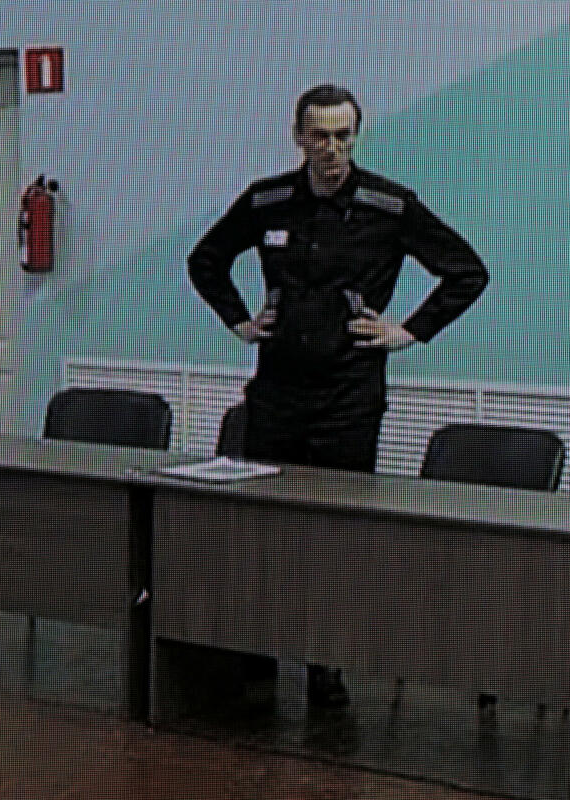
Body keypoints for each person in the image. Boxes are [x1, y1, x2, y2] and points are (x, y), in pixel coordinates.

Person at [188, 84, 489, 707]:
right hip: (277, 392)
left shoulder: (388, 205)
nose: (330, 148)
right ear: (299, 138)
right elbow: (206, 260)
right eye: (319, 135)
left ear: (356, 136)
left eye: (342, 135)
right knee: (266, 530)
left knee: (337, 538)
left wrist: (407, 332)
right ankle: (258, 652)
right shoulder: (268, 199)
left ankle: (328, 665)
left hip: (348, 398)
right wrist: (240, 321)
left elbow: (467, 272)